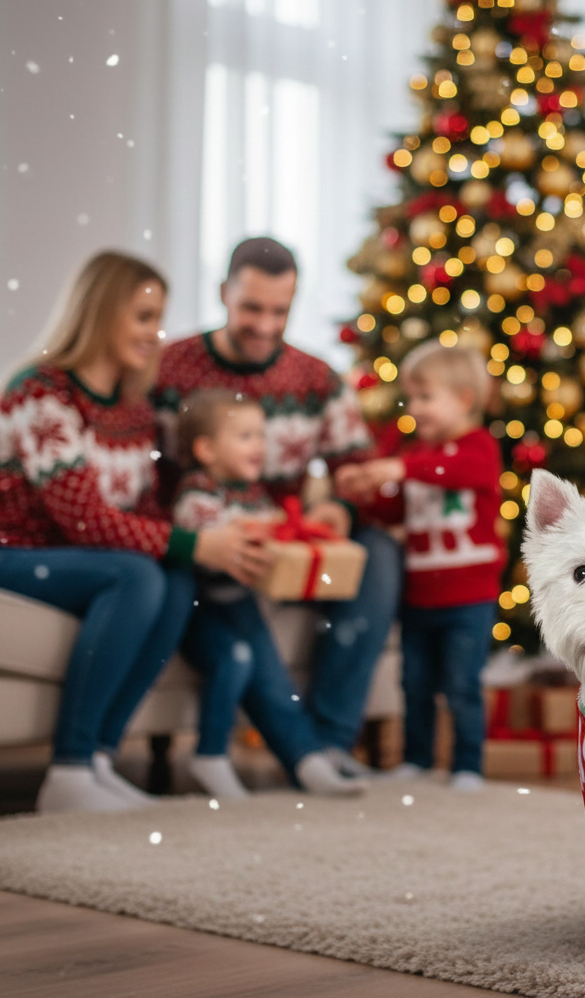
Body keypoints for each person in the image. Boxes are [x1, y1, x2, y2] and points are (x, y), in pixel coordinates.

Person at [0, 251, 263, 813]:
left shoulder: (133, 411)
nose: (155, 334)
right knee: (139, 575)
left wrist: (211, 534)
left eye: (158, 318)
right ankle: (68, 769)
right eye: (143, 317)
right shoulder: (40, 392)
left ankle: (97, 758)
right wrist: (196, 542)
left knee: (170, 575)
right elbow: (87, 520)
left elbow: (141, 512)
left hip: (62, 557)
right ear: (100, 312)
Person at [154, 237, 401, 776]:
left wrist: (339, 510)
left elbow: (356, 472)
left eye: (279, 311)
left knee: (377, 554)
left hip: (287, 534)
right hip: (205, 538)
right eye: (251, 309)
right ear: (223, 294)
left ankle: (332, 739)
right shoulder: (171, 368)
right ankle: (303, 750)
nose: (265, 326)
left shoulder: (316, 378)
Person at [171, 389, 364, 797]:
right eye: (244, 436)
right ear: (205, 449)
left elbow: (270, 527)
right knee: (249, 655)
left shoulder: (252, 493)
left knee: (259, 662)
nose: (259, 445)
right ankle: (288, 757)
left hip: (239, 605)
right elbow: (208, 537)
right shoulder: (198, 494)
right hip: (201, 610)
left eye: (260, 435)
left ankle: (305, 758)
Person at [335, 341, 504, 791]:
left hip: (469, 597)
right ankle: (417, 757)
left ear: (464, 400)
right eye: (413, 397)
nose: (416, 409)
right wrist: (369, 490)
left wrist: (397, 468)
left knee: (461, 685)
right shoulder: (416, 459)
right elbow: (397, 512)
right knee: (415, 683)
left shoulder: (477, 449)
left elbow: (454, 473)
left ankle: (468, 765)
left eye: (426, 397)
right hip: (420, 596)